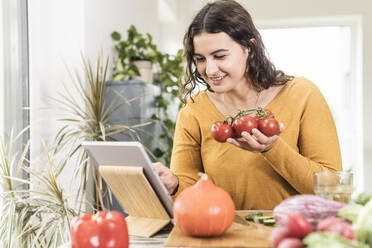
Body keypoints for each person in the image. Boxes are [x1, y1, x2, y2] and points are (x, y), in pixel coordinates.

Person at [153, 0, 342, 210]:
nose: (210, 69)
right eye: (200, 59)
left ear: (249, 48)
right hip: (224, 234)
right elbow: (189, 194)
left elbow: (334, 191)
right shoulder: (194, 111)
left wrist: (273, 149)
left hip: (293, 234)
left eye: (220, 56)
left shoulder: (302, 94)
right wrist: (174, 185)